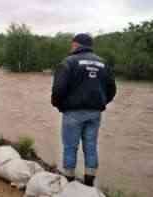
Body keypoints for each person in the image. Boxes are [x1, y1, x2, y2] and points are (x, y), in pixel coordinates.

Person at [51, 33, 116, 187]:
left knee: (70, 148)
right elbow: (112, 89)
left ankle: (69, 184)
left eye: (71, 44)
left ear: (75, 44)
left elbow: (58, 89)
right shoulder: (103, 63)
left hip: (72, 112)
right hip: (95, 113)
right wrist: (101, 103)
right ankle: (89, 184)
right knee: (91, 146)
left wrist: (59, 105)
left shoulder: (68, 62)